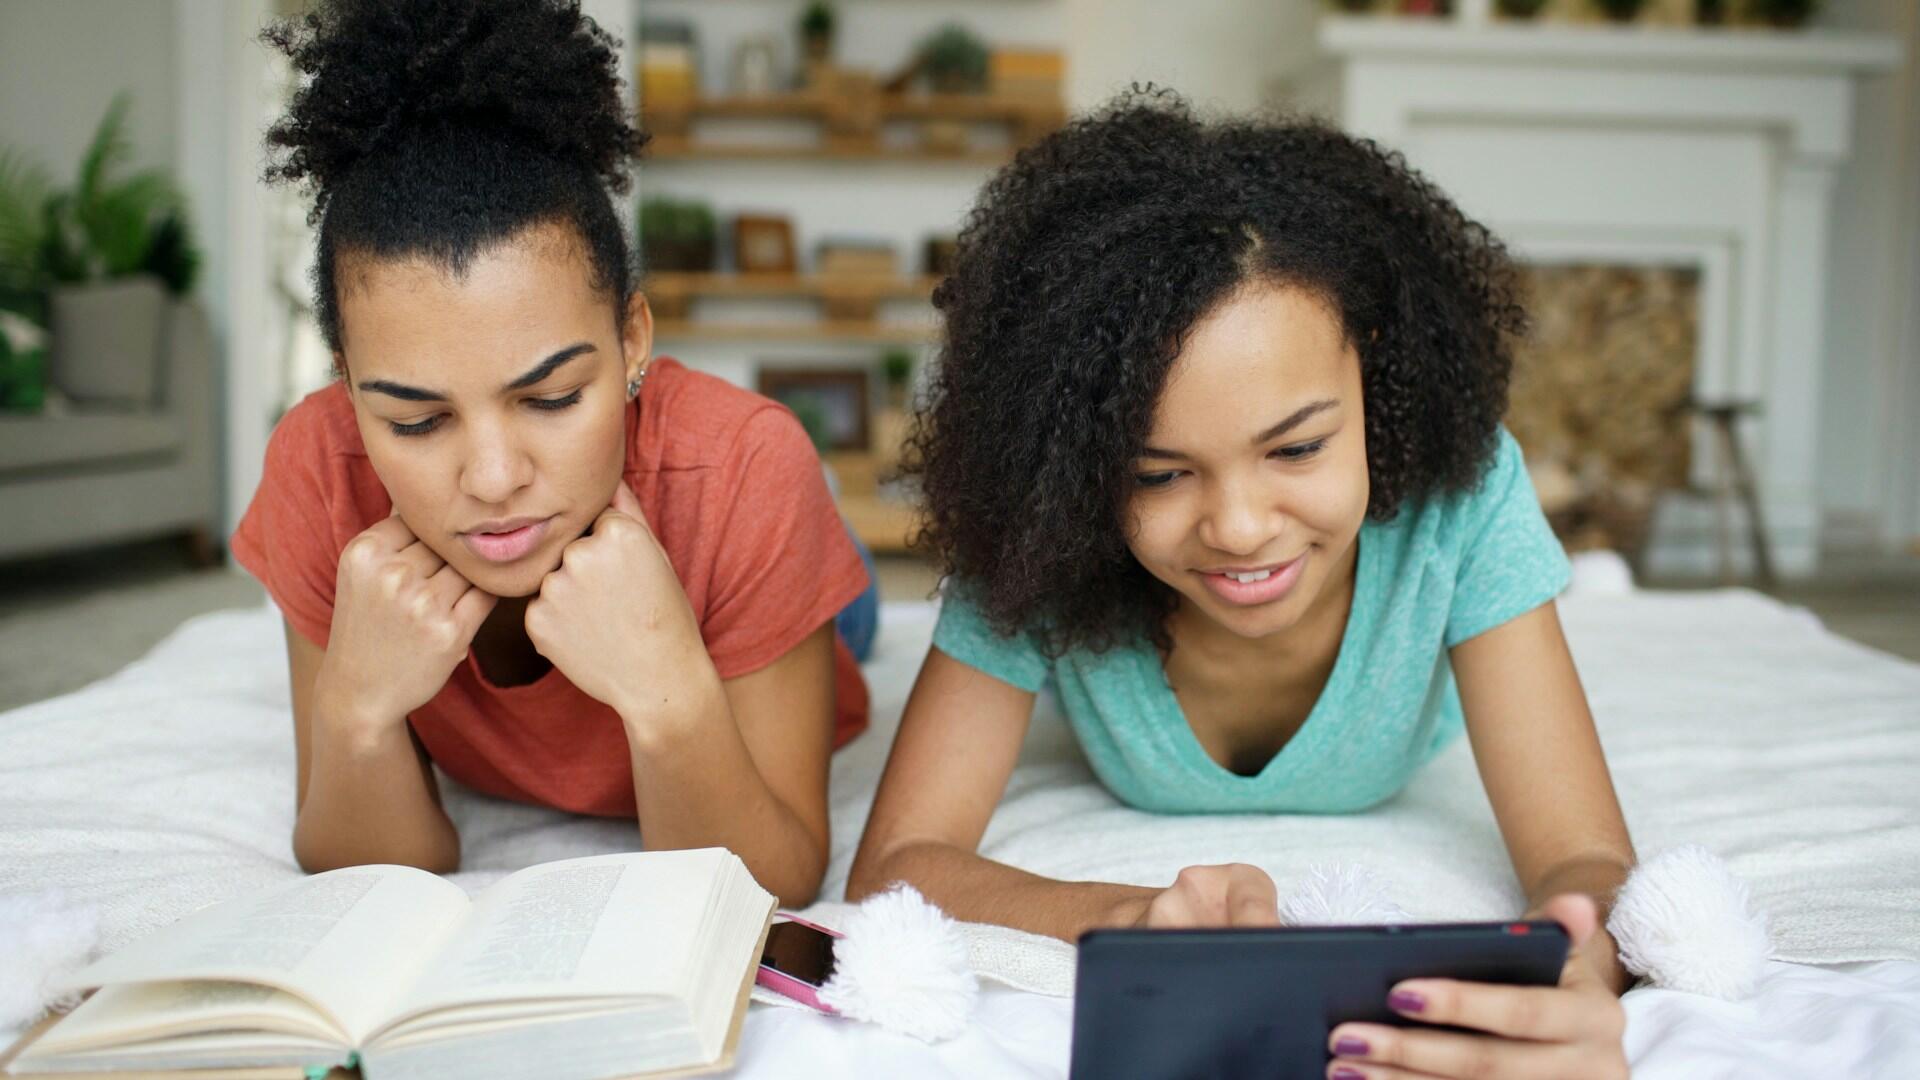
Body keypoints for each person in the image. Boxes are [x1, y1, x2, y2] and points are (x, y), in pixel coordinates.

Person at [848, 90, 1634, 1076]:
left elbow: (1585, 860)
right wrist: (1128, 918)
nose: (1238, 527)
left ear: (1374, 375)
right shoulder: (1041, 525)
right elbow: (897, 866)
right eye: (1157, 473)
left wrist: (1575, 967)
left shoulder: (1462, 497)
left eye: (1296, 447)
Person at [233, 0, 874, 906]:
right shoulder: (316, 464)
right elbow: (367, 865)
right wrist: (358, 710)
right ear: (347, 384)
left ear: (633, 338)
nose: (494, 480)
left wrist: (670, 692)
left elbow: (777, 876)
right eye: (416, 422)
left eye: (552, 398)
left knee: (853, 611)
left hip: (745, 540)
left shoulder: (747, 464)